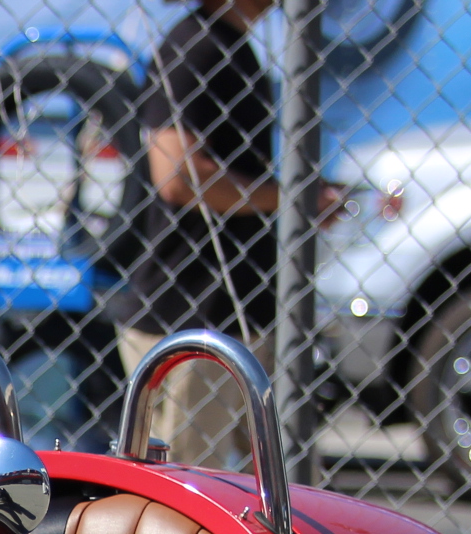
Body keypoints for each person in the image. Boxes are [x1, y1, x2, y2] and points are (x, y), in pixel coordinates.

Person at [112, 0, 345, 468]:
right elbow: (177, 176)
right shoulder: (194, 48)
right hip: (192, 309)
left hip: (236, 306)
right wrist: (292, 198)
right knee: (191, 483)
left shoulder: (230, 46)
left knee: (277, 475)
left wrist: (292, 198)